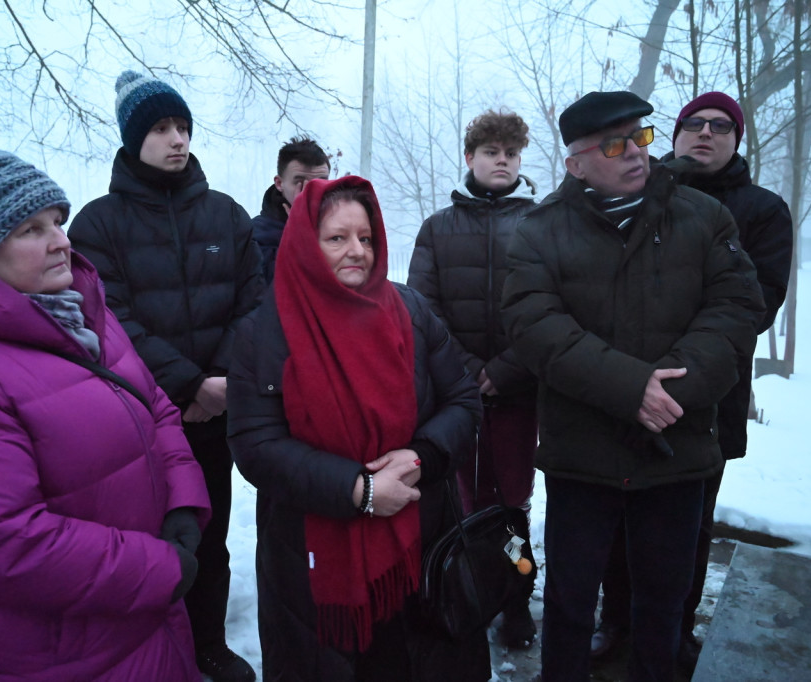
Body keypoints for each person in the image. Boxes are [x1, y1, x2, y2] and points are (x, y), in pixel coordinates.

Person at [0, 143, 211, 682]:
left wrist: (182, 506)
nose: (62, 242)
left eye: (58, 220)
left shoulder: (77, 314)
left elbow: (156, 407)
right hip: (51, 655)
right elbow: (0, 544)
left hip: (141, 623)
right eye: (30, 230)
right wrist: (159, 567)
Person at [501, 91, 765, 682]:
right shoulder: (539, 231)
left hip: (677, 447)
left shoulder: (703, 218)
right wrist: (630, 388)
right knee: (569, 606)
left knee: (663, 610)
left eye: (640, 138)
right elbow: (534, 326)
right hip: (581, 456)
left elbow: (735, 311)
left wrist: (670, 390)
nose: (635, 155)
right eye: (615, 145)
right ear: (576, 163)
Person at [225, 175, 491, 681]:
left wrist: (420, 458)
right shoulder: (266, 331)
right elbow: (256, 444)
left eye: (365, 238)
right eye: (337, 238)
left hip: (421, 538)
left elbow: (462, 400)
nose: (357, 251)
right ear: (306, 242)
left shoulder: (410, 311)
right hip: (311, 561)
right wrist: (360, 489)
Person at [68, 70, 263, 682]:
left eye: (182, 126)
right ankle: (154, 646)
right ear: (132, 138)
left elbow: (255, 306)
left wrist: (221, 381)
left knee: (210, 535)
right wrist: (187, 385)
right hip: (137, 418)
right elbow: (109, 319)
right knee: (143, 541)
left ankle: (208, 642)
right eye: (160, 128)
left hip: (216, 413)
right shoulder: (97, 226)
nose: (177, 138)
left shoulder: (228, 217)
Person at [591, 91, 795, 671]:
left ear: (737, 140)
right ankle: (616, 623)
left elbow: (753, 304)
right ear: (675, 135)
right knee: (618, 516)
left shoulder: (761, 210)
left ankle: (673, 632)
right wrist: (626, 378)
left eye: (721, 126)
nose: (706, 133)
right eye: (694, 124)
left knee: (688, 531)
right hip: (625, 390)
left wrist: (677, 375)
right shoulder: (633, 196)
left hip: (706, 397)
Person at [407, 109, 540, 649]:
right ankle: (464, 584)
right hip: (457, 397)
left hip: (519, 391)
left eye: (510, 152)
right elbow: (423, 304)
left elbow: (551, 305)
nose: (502, 160)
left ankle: (517, 595)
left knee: (511, 506)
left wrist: (506, 369)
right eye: (491, 151)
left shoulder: (541, 222)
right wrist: (465, 370)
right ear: (470, 158)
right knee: (463, 498)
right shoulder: (438, 227)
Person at [252, 135, 331, 285]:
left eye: (321, 182)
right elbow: (270, 288)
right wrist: (299, 233)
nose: (311, 191)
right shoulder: (256, 234)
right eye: (300, 182)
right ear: (279, 183)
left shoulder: (343, 227)